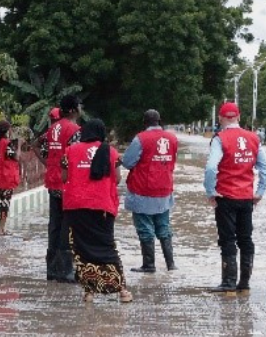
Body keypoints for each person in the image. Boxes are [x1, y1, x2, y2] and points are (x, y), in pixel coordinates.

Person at [62, 118, 132, 303]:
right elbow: (117, 179)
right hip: (102, 207)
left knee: (81, 250)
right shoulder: (112, 152)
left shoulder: (70, 151)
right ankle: (123, 292)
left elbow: (63, 176)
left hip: (76, 207)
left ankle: (88, 292)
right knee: (107, 247)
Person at [204, 101, 266, 293]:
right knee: (246, 239)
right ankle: (245, 283)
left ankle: (229, 282)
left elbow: (210, 168)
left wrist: (210, 191)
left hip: (225, 197)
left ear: (221, 118)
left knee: (227, 239)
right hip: (246, 198)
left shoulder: (220, 139)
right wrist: (259, 193)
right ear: (239, 117)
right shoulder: (254, 138)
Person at [122, 109, 180, 272]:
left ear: (144, 122)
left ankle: (149, 265)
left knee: (145, 228)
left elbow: (127, 162)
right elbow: (172, 161)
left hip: (143, 190)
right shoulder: (172, 138)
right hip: (164, 188)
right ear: (159, 121)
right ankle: (171, 264)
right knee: (164, 226)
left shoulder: (140, 138)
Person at [40, 96, 82, 283]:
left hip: (53, 182)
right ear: (73, 110)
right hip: (67, 183)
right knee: (68, 225)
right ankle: (65, 271)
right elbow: (75, 158)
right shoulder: (75, 130)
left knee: (54, 224)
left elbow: (41, 148)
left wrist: (49, 165)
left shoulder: (52, 129)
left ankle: (52, 270)